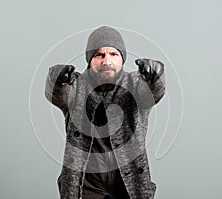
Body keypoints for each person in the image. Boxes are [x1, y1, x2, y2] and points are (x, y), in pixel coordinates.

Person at [45, 26, 165, 199]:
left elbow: (153, 93)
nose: (106, 61)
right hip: (85, 184)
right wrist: (57, 81)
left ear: (122, 59)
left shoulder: (135, 84)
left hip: (128, 183)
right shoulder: (76, 85)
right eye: (99, 55)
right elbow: (58, 95)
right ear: (90, 60)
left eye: (113, 54)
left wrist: (155, 76)